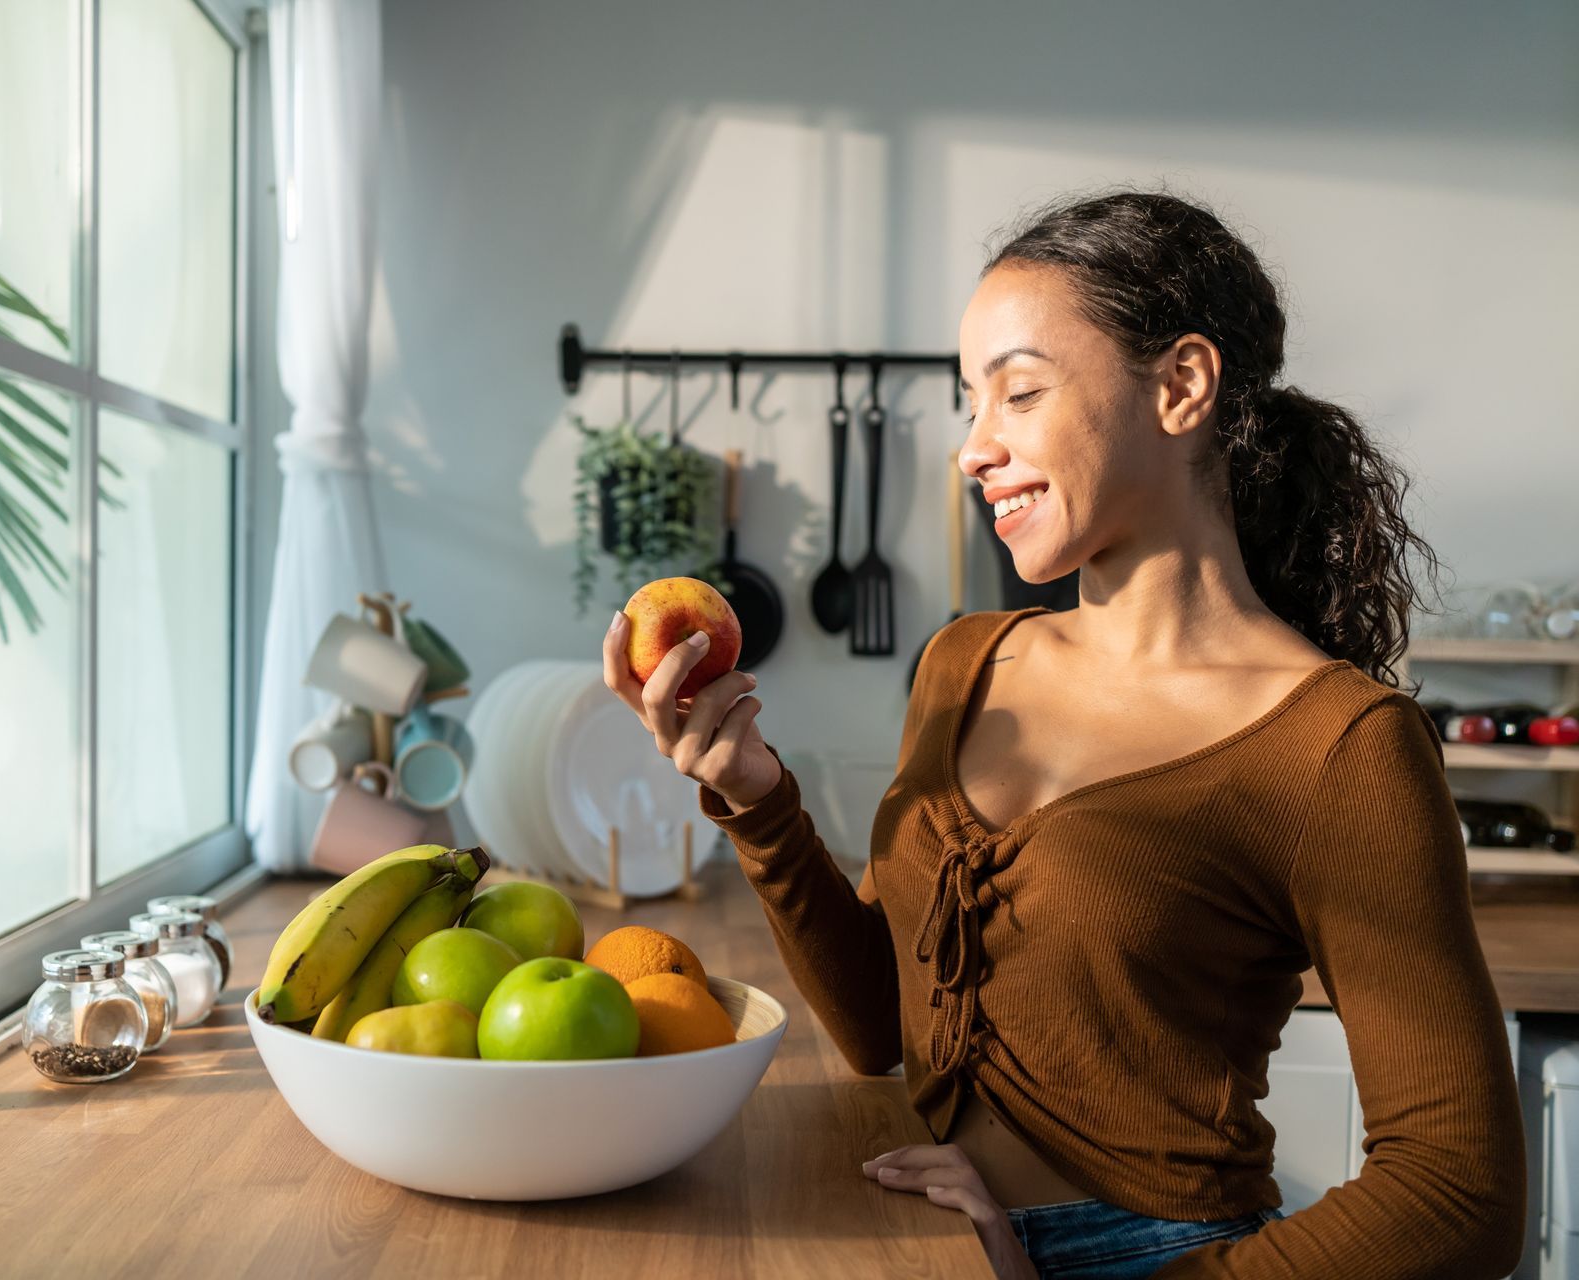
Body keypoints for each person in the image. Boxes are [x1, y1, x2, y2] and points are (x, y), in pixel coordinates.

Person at [599, 190, 1524, 1279]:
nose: (973, 450)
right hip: (921, 1231)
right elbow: (879, 1029)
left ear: (1181, 385)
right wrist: (757, 797)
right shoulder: (963, 661)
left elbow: (1460, 1193)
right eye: (968, 404)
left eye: (1020, 393)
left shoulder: (1340, 744)